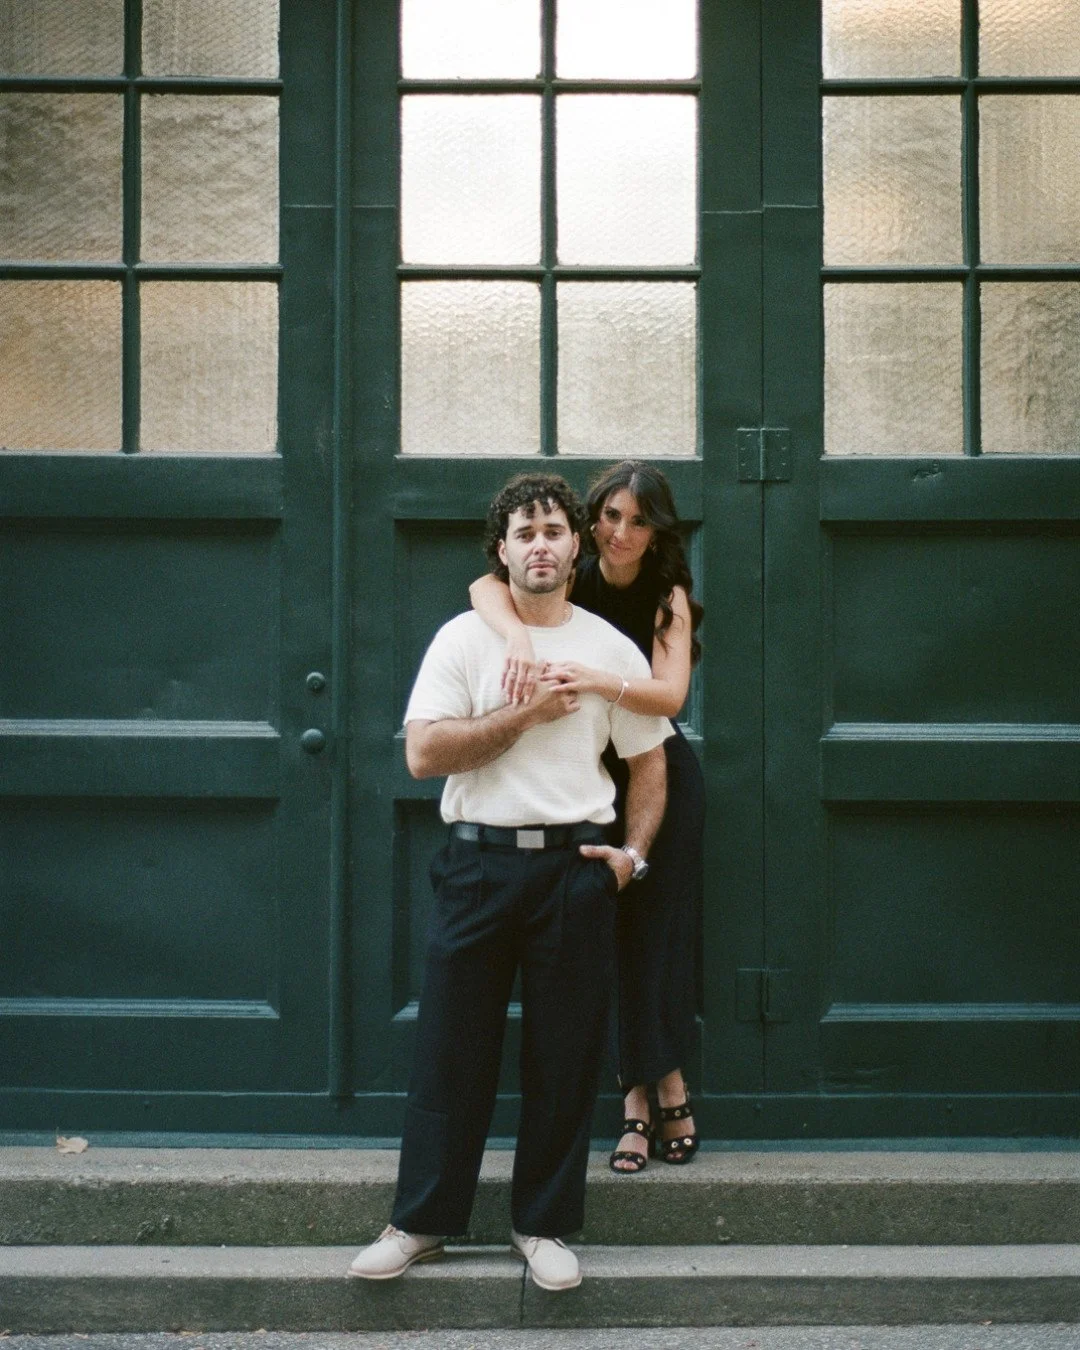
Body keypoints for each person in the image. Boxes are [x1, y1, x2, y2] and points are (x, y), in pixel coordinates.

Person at [348, 472, 671, 1290]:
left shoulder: (608, 647)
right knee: (451, 1051)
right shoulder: (464, 639)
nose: (540, 544)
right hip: (478, 863)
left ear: (575, 546)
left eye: (554, 530)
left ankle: (546, 1227)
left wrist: (629, 858)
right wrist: (527, 713)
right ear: (503, 550)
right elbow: (424, 755)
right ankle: (420, 1222)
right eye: (524, 532)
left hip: (576, 868)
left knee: (564, 1058)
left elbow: (650, 763)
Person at [469, 461, 705, 1173]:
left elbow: (668, 698)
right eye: (609, 517)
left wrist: (599, 678)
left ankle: (664, 1089)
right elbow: (485, 583)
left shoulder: (669, 597)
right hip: (582, 781)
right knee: (606, 940)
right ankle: (645, 1099)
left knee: (656, 940)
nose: (621, 532)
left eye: (638, 520)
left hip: (658, 779)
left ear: (657, 529)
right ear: (587, 525)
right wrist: (513, 634)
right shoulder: (576, 578)